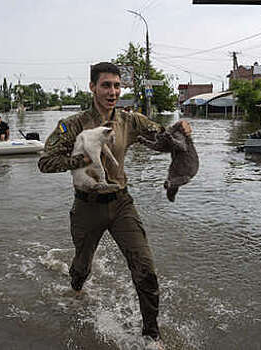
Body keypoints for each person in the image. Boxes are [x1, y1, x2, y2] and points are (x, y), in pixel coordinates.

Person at [38, 62, 191, 348]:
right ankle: (76, 291)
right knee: (81, 268)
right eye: (106, 85)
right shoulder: (72, 125)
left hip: (121, 204)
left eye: (117, 86)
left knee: (145, 268)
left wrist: (180, 129)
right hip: (86, 207)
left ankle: (151, 336)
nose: (113, 91)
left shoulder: (129, 121)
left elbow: (162, 137)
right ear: (93, 87)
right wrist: (83, 159)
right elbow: (45, 162)